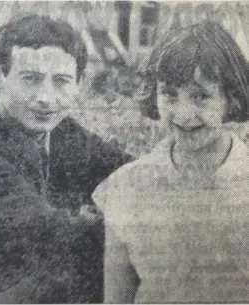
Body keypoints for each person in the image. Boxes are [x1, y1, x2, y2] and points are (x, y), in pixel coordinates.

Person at [0, 14, 132, 303]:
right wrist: (101, 218)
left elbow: (128, 170)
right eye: (31, 79)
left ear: (78, 83)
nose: (46, 97)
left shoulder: (53, 126)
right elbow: (51, 234)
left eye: (61, 82)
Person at [93, 22, 249, 303]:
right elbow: (117, 298)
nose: (183, 113)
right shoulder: (127, 187)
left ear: (232, 100)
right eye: (169, 95)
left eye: (201, 96)